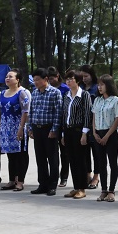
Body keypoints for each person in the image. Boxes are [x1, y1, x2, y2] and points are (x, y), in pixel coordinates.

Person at [0, 69, 31, 191]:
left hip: (18, 127)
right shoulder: (2, 93)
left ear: (18, 79)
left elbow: (25, 112)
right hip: (5, 128)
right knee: (10, 154)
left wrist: (21, 128)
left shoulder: (22, 93)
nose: (7, 78)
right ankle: (12, 179)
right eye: (6, 76)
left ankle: (20, 181)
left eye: (10, 76)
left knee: (21, 154)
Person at [28, 68, 62, 196]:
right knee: (40, 157)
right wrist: (30, 128)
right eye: (34, 80)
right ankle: (42, 184)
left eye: (38, 79)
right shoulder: (35, 93)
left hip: (49, 129)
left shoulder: (55, 92)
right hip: (37, 128)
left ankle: (52, 185)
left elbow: (58, 113)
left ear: (46, 79)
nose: (35, 82)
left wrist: (54, 129)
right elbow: (31, 111)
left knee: (52, 158)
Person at [62, 70, 93, 199]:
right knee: (72, 159)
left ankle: (82, 188)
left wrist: (84, 133)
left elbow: (88, 114)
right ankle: (76, 187)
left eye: (71, 79)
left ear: (78, 80)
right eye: (67, 79)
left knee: (81, 160)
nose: (68, 81)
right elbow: (64, 114)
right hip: (68, 130)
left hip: (79, 131)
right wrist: (63, 133)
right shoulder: (66, 95)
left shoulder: (84, 94)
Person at [92, 74, 118, 201]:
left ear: (109, 85)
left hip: (110, 134)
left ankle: (111, 190)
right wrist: (94, 132)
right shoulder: (97, 100)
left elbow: (117, 119)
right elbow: (94, 116)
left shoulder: (116, 100)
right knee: (101, 163)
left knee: (112, 163)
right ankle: (103, 190)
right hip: (98, 134)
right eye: (98, 84)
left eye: (102, 84)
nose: (99, 87)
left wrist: (107, 135)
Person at [47, 66, 69, 188]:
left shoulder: (65, 89)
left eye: (52, 78)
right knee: (52, 152)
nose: (50, 81)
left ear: (57, 76)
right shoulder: (47, 89)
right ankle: (52, 176)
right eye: (48, 78)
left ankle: (64, 177)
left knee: (64, 152)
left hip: (63, 123)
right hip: (50, 124)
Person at [80, 64, 100, 189]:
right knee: (84, 151)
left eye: (86, 76)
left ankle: (96, 177)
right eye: (82, 76)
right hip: (82, 124)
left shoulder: (97, 88)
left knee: (96, 152)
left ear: (92, 75)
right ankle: (87, 174)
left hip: (95, 124)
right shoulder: (80, 88)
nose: (84, 78)